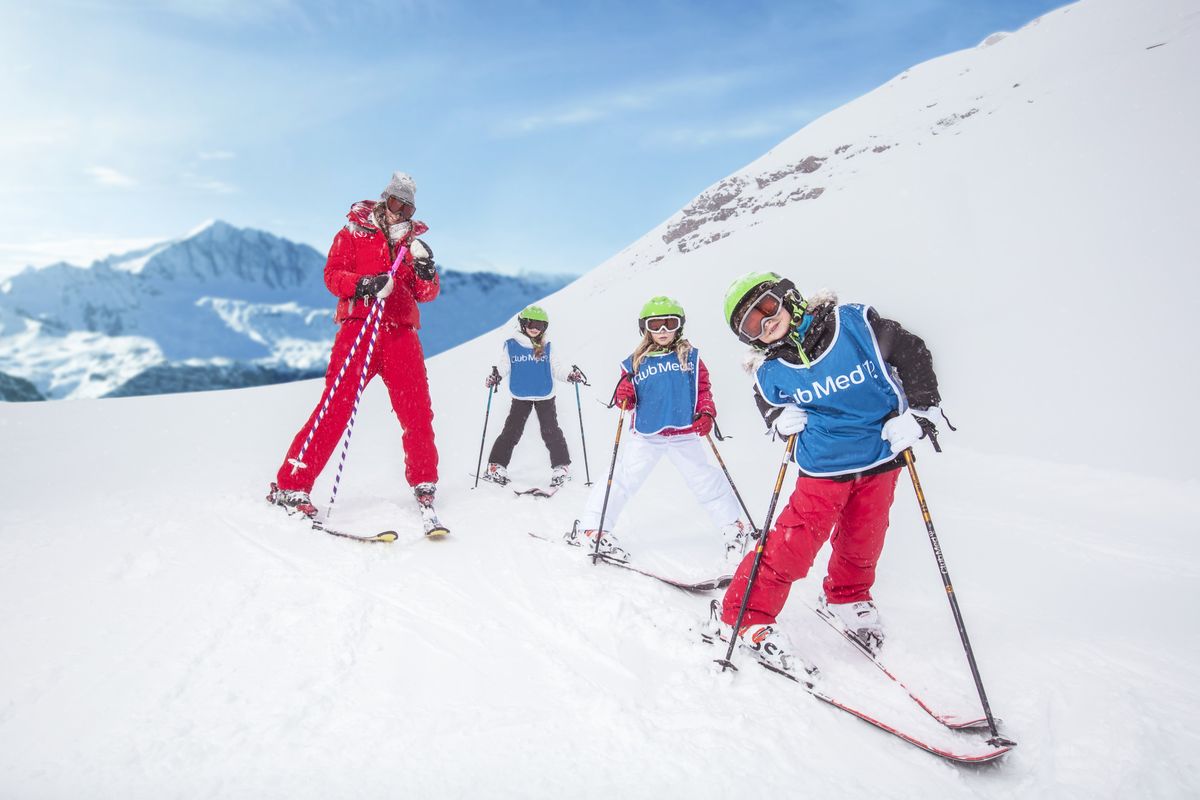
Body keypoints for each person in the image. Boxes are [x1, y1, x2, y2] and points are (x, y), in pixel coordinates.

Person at [708, 271, 944, 675]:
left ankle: (847, 596)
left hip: (879, 454)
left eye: (767, 307)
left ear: (787, 296)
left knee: (864, 538)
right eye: (752, 325)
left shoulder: (855, 325)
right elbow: (767, 399)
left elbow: (913, 354)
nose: (766, 323)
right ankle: (743, 614)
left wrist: (920, 413)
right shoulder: (772, 369)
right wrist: (778, 419)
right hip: (823, 466)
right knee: (793, 544)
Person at [267, 171, 445, 535]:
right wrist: (364, 284)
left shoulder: (412, 244)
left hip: (400, 334)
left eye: (407, 208)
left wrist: (426, 271)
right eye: (395, 203)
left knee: (416, 410)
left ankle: (424, 481)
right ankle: (292, 484)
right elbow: (332, 276)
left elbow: (425, 293)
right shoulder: (352, 233)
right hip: (360, 329)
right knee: (336, 407)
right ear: (383, 200)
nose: (399, 212)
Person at [573, 296, 751, 568]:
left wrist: (706, 412)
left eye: (670, 323)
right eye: (656, 324)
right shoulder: (634, 362)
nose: (664, 330)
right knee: (623, 478)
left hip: (683, 431)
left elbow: (703, 389)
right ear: (645, 328)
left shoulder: (691, 357)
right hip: (648, 434)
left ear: (680, 326)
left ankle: (732, 526)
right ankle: (593, 528)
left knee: (703, 478)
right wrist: (624, 395)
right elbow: (628, 398)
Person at [481, 305, 585, 489]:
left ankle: (561, 467)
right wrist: (497, 375)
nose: (535, 328)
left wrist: (569, 375)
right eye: (531, 324)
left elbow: (557, 368)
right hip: (521, 395)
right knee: (512, 430)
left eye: (540, 325)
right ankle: (496, 466)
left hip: (544, 394)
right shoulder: (512, 345)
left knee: (551, 431)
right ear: (523, 324)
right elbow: (504, 366)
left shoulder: (547, 346)